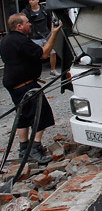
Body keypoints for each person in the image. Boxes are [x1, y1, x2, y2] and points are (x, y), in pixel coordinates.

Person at [0, 13, 62, 163]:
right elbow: (44, 53)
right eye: (27, 23)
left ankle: (23, 149)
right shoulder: (20, 40)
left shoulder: (6, 39)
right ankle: (34, 149)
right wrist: (54, 33)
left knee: (22, 116)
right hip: (25, 85)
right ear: (19, 26)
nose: (30, 24)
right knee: (42, 114)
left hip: (14, 84)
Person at [22, 0, 57, 76]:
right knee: (36, 56)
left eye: (32, 0)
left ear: (37, 0)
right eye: (29, 0)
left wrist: (50, 32)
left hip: (46, 35)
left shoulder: (45, 10)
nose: (31, 2)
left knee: (53, 52)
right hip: (35, 37)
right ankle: (36, 73)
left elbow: (49, 21)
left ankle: (53, 70)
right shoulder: (26, 11)